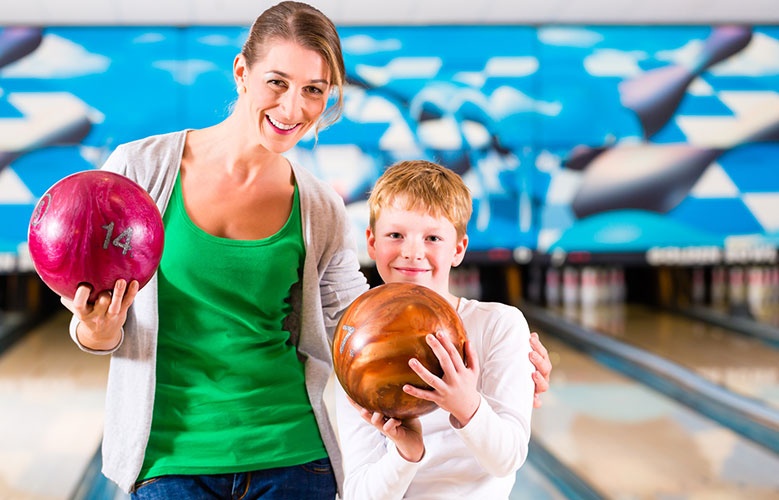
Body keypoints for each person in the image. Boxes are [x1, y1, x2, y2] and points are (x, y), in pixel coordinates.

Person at [59, 2, 552, 498]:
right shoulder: (140, 171)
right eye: (277, 82)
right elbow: (99, 310)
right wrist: (94, 331)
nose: (293, 108)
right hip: (170, 457)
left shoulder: (318, 206)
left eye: (313, 90)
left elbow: (359, 323)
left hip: (294, 457)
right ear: (241, 72)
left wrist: (493, 359)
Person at [335, 160, 536, 499]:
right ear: (371, 242)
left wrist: (466, 404)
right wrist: (405, 453)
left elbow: (507, 459)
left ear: (458, 248)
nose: (413, 252)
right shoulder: (356, 339)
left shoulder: (499, 325)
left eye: (432, 237)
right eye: (395, 235)